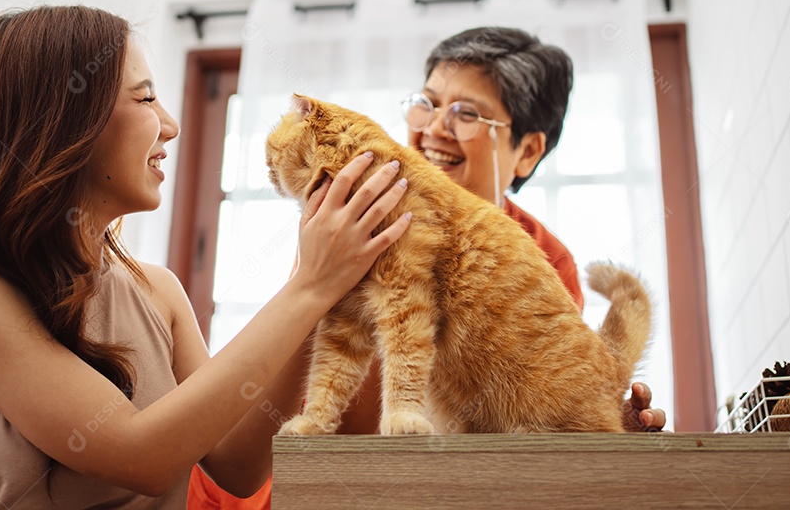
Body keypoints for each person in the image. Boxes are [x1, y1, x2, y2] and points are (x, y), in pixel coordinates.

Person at [0, 6, 411, 510]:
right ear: (62, 122)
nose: (170, 124)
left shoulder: (158, 290)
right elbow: (140, 458)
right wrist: (309, 288)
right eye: (145, 98)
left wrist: (316, 279)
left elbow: (237, 469)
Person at [189, 26, 664, 508]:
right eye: (428, 103)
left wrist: (591, 435)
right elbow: (241, 467)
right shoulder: (351, 222)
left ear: (527, 151)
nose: (435, 128)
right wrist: (312, 283)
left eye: (467, 114)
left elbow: (511, 450)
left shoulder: (542, 256)